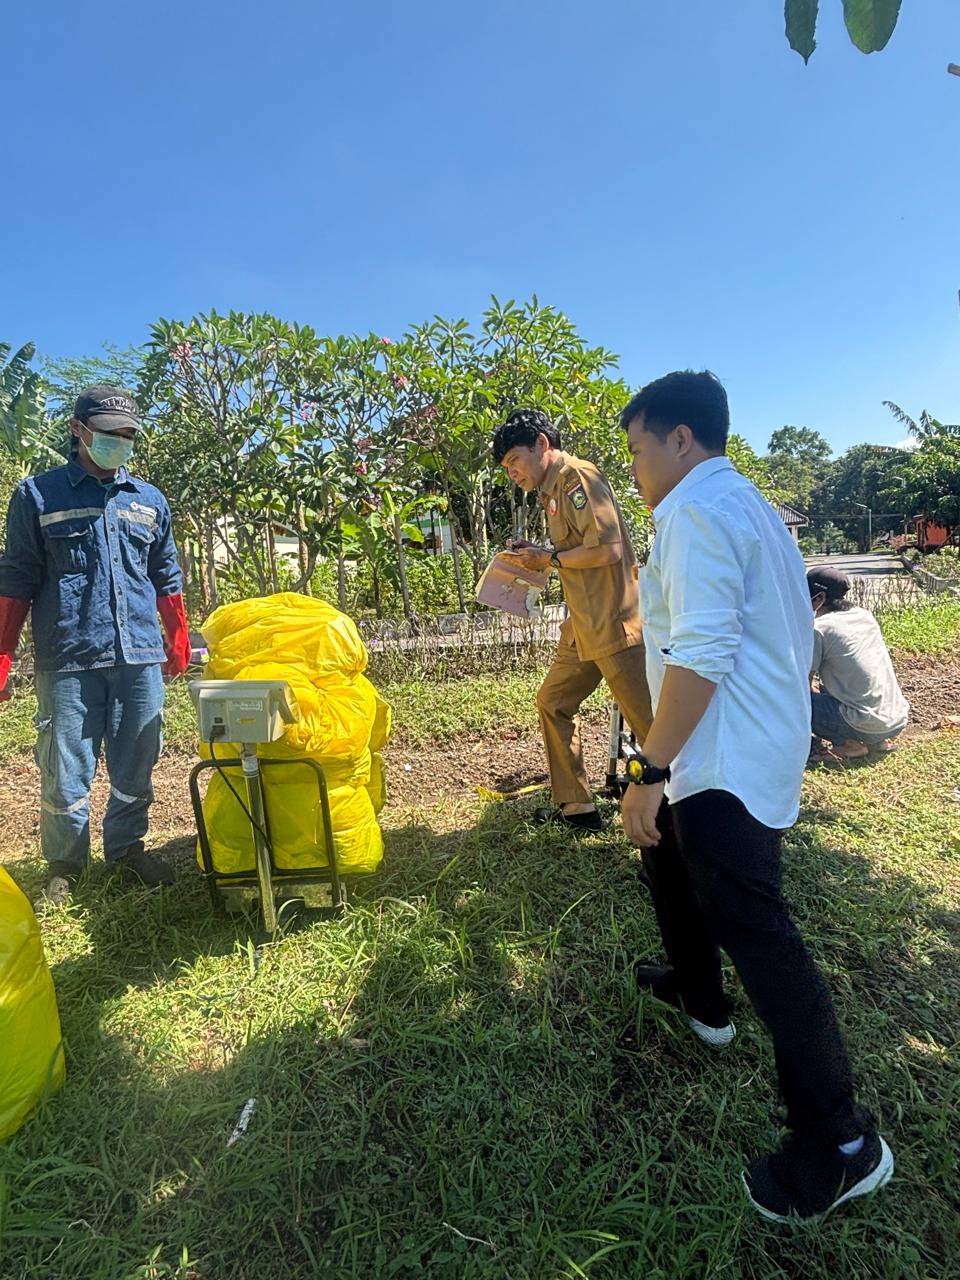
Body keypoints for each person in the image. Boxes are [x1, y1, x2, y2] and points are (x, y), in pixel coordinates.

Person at [618, 370, 893, 1222]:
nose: (635, 470)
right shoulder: (748, 505)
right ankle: (699, 992)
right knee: (670, 864)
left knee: (763, 941)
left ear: (681, 440)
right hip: (743, 745)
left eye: (637, 451)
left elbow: (701, 654)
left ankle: (841, 1144)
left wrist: (649, 769)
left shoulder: (696, 512)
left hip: (723, 760)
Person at [0, 386, 192, 906]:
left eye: (127, 434)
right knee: (64, 768)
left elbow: (166, 575)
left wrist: (177, 639)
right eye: (109, 433)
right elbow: (16, 578)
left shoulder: (149, 500)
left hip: (139, 657)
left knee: (137, 761)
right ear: (78, 430)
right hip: (69, 656)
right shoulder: (37, 496)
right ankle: (66, 864)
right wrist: (3, 656)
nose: (119, 441)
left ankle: (127, 848)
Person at [492, 407, 652, 832]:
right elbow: (574, 552)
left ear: (542, 444)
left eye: (514, 461)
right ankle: (577, 808)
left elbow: (609, 550)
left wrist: (549, 558)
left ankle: (683, 817)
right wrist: (537, 556)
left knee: (652, 730)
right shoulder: (552, 490)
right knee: (553, 703)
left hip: (613, 623)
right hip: (582, 627)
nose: (512, 473)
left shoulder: (578, 477)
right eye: (506, 467)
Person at [807, 565, 909, 758]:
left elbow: (804, 682)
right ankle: (878, 743)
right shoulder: (864, 615)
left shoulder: (819, 628)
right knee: (836, 682)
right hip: (896, 719)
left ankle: (849, 745)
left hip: (865, 724)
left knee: (792, 701)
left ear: (819, 598)